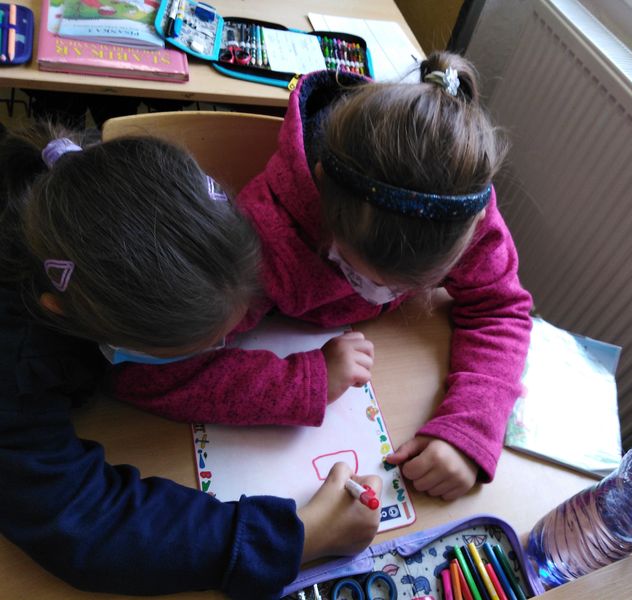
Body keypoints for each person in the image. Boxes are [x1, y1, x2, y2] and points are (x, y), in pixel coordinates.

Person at [19, 51, 532, 502]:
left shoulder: (462, 215)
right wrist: (308, 381)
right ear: (323, 208)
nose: (385, 296)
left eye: (408, 288)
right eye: (363, 275)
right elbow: (150, 372)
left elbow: (500, 306)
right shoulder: (265, 236)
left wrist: (470, 428)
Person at [0, 122, 381, 599]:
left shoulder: (95, 198)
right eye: (198, 348)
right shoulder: (15, 363)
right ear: (64, 312)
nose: (222, 350)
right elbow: (82, 521)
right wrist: (299, 538)